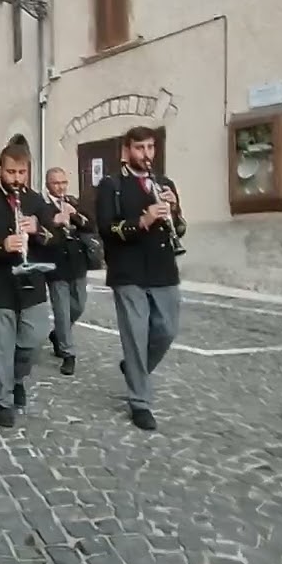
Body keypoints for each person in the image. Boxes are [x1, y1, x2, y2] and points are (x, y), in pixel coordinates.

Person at [0, 144, 69, 428]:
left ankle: (17, 378)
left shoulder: (36, 201)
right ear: (0, 170)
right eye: (11, 172)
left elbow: (57, 238)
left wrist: (38, 230)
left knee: (34, 339)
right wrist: (1, 245)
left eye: (22, 172)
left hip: (31, 283)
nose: (16, 178)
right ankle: (2, 399)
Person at [95, 125, 186, 432]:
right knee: (135, 335)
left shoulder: (165, 183)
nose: (146, 154)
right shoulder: (111, 185)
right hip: (128, 270)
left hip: (163, 268)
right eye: (139, 148)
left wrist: (174, 211)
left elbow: (180, 228)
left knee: (167, 330)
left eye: (150, 147)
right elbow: (106, 228)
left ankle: (134, 367)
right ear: (127, 151)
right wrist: (143, 221)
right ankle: (140, 402)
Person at [43, 167, 96, 376]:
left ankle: (57, 334)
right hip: (56, 264)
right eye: (56, 183)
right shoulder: (43, 206)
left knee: (79, 305)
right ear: (48, 184)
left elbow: (90, 225)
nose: (61, 187)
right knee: (62, 311)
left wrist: (75, 215)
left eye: (63, 182)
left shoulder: (74, 201)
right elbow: (41, 231)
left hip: (77, 263)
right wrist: (55, 221)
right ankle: (68, 353)